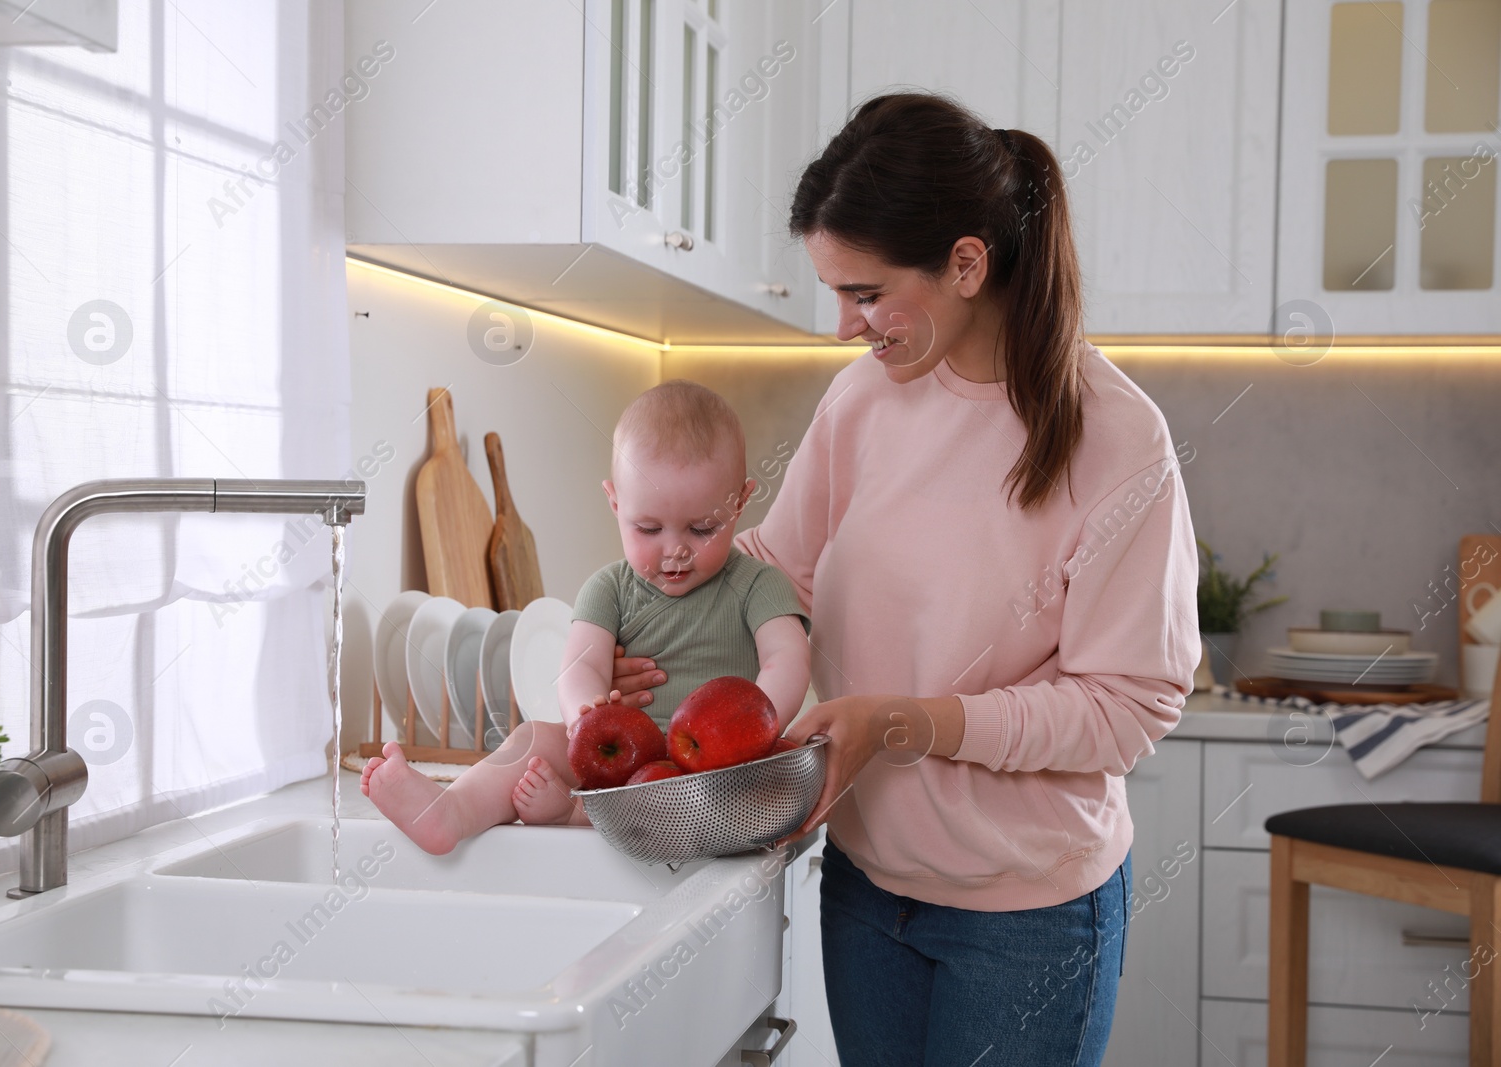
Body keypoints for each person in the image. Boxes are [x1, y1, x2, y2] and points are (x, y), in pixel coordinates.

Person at [604, 93, 1199, 1066]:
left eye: (867, 292)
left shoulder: (1117, 438)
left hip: (1028, 912)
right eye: (834, 290)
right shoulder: (864, 398)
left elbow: (1126, 706)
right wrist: (642, 603)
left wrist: (907, 721)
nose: (843, 323)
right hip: (869, 883)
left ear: (966, 263)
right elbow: (775, 566)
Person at [361, 379, 812, 854]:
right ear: (615, 502)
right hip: (623, 760)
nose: (675, 549)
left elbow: (788, 661)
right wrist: (586, 715)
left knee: (767, 781)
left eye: (703, 528)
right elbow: (581, 665)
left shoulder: (760, 585)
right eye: (649, 528)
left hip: (719, 770)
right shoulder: (609, 589)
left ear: (740, 502)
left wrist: (747, 739)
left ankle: (573, 813)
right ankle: (451, 813)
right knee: (533, 737)